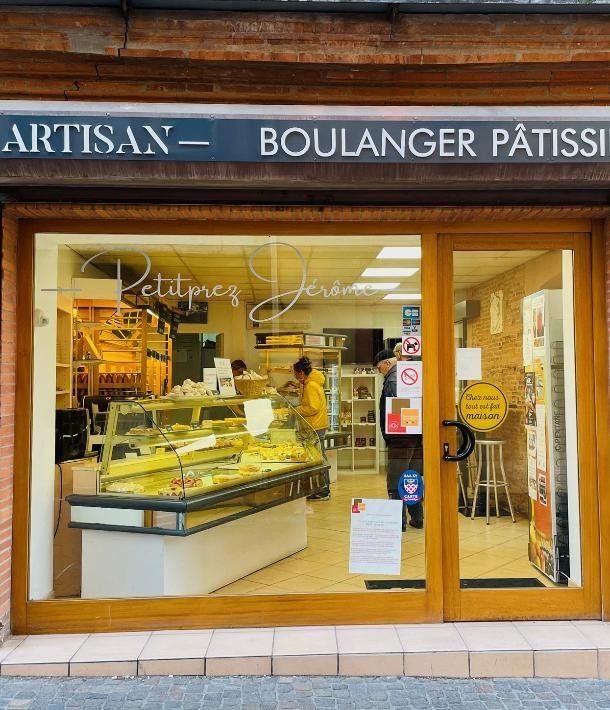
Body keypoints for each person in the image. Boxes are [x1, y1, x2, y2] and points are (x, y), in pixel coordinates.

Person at [373, 348, 424, 531]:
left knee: (396, 479)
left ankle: (398, 521)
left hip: (401, 438)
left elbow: (398, 410)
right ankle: (417, 518)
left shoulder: (393, 380)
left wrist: (393, 434)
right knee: (411, 478)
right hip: (414, 435)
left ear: (387, 364)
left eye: (379, 368)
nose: (379, 372)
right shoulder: (404, 376)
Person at [293, 356, 330, 501]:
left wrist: (297, 410)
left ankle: (323, 490)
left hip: (315, 426)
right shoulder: (314, 383)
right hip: (318, 425)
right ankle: (322, 489)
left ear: (301, 372)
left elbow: (313, 408)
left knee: (318, 458)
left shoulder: (310, 386)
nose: (296, 377)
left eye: (296, 374)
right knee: (319, 457)